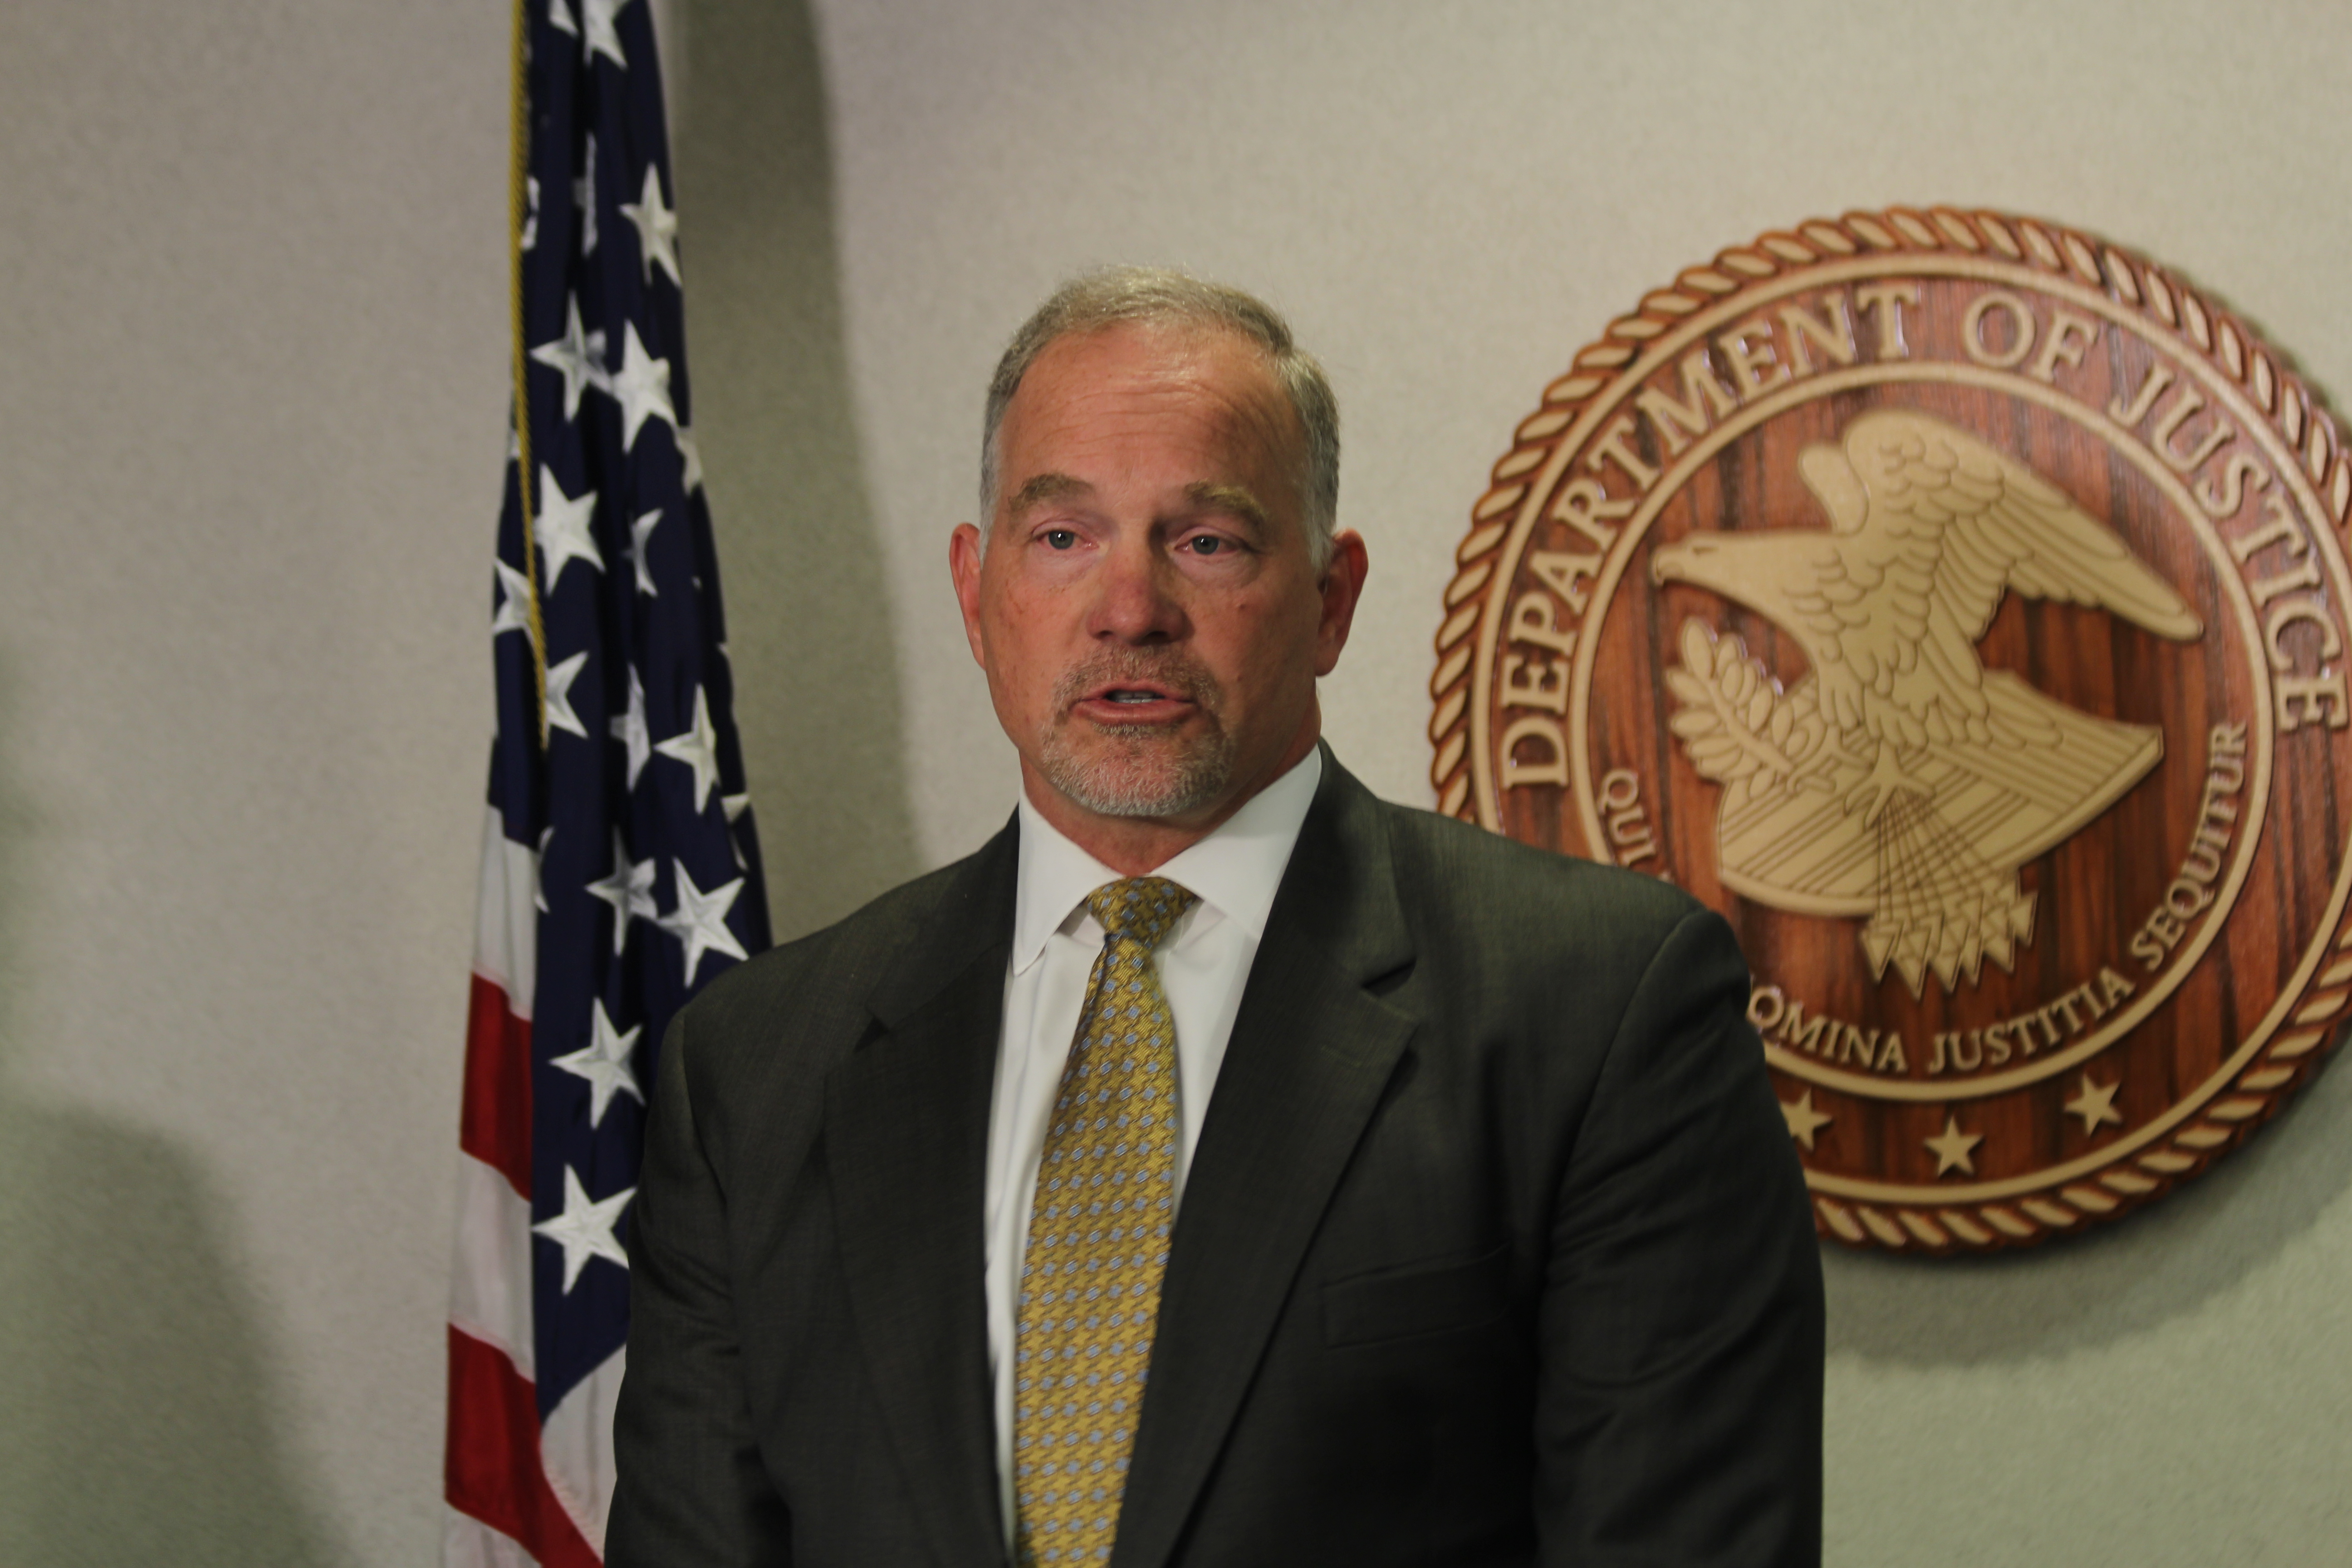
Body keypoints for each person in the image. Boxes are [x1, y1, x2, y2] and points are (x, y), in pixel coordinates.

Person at [608, 268, 1823, 1568]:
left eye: (1208, 540)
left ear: (1331, 600)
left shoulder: (1601, 1010)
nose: (1129, 610)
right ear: (977, 596)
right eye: (1062, 536)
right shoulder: (753, 1067)